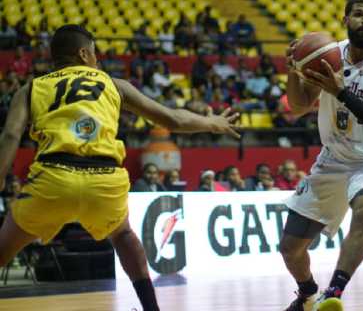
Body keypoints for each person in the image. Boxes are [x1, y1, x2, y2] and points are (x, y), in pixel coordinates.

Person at [0, 25, 239, 311]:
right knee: (124, 237)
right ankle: (151, 308)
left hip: (54, 178)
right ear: (84, 53)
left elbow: (11, 135)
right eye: (95, 53)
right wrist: (213, 123)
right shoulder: (114, 84)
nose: (97, 59)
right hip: (104, 180)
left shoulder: (31, 88)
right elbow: (172, 119)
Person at [280, 0, 363, 311]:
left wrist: (340, 91)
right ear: (345, 20)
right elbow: (297, 107)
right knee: (290, 248)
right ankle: (307, 292)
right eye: (359, 14)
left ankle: (333, 293)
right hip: (333, 158)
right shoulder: (328, 55)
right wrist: (294, 70)